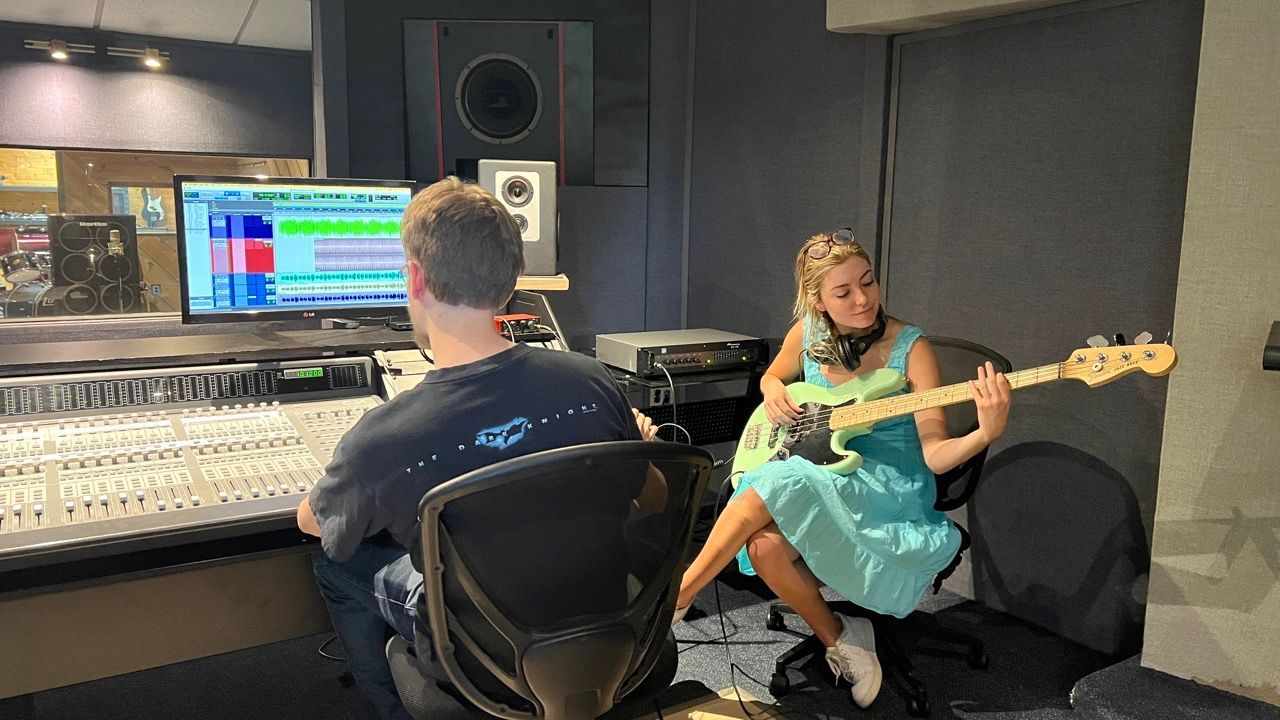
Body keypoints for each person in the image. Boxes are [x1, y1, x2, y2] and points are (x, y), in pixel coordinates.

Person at [297, 177, 658, 720]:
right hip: (610, 631)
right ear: (511, 280)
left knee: (334, 565)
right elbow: (651, 496)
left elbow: (320, 526)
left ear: (415, 278)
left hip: (482, 658)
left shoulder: (384, 437)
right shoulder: (590, 380)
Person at [671, 228, 1011, 708]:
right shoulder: (806, 334)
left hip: (889, 484)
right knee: (764, 545)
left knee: (780, 475)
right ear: (817, 300)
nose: (863, 299)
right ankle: (841, 638)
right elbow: (773, 375)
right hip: (823, 468)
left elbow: (934, 455)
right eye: (844, 292)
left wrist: (983, 434)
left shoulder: (911, 348)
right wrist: (771, 389)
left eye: (868, 283)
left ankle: (678, 595)